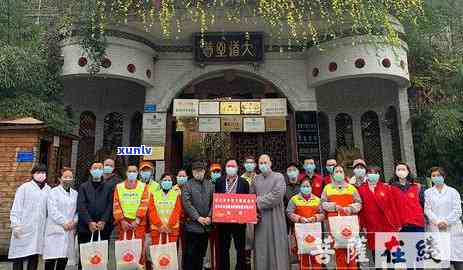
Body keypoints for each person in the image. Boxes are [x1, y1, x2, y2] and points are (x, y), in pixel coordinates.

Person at [357, 166, 402, 266]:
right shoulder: (361, 189)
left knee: (389, 255)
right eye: (371, 172)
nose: (373, 175)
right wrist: (363, 225)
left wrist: (397, 223)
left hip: (387, 224)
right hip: (371, 225)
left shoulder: (386, 187)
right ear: (367, 175)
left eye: (376, 173)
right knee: (377, 256)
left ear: (379, 175)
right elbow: (361, 210)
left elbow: (392, 206)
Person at [9, 164, 51, 270]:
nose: (41, 175)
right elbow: (16, 208)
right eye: (38, 172)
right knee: (18, 257)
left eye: (43, 173)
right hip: (23, 228)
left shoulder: (48, 190)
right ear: (33, 174)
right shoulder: (24, 188)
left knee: (34, 256)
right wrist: (15, 225)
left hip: (38, 230)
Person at [251, 154, 289, 270]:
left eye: (265, 162)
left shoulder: (279, 177)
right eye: (261, 163)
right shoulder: (255, 180)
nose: (263, 165)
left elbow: (277, 196)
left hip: (275, 219)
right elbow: (250, 198)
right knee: (261, 249)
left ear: (270, 163)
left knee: (277, 247)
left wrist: (257, 202)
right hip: (260, 220)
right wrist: (253, 204)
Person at [321, 164, 362, 270]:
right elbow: (323, 203)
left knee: (351, 250)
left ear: (344, 174)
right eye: (336, 172)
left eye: (341, 171)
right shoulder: (327, 188)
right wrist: (334, 207)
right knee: (338, 251)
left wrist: (351, 208)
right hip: (335, 224)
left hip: (350, 223)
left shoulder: (351, 188)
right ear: (333, 174)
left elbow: (359, 203)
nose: (339, 174)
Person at [424, 167, 463, 270]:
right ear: (431, 178)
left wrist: (445, 222)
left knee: (458, 260)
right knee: (443, 260)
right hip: (437, 229)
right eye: (434, 176)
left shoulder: (453, 191)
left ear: (444, 177)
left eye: (439, 175)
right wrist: (438, 222)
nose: (436, 177)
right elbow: (427, 210)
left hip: (453, 229)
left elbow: (457, 210)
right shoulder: (428, 193)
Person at [215, 160, 250, 270]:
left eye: (233, 166)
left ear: (237, 167)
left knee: (240, 248)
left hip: (239, 222)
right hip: (223, 222)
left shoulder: (244, 182)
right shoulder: (219, 181)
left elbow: (247, 200)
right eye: (228, 166)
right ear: (225, 168)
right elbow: (216, 199)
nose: (231, 167)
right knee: (223, 248)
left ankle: (240, 268)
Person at [113, 165, 150, 266]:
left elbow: (144, 203)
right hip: (123, 225)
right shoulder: (119, 187)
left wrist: (137, 220)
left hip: (138, 224)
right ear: (126, 173)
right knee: (124, 250)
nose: (132, 173)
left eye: (134, 171)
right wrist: (122, 221)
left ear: (137, 173)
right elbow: (116, 204)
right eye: (130, 171)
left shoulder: (143, 186)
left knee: (139, 250)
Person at [43, 167, 78, 270]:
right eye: (65, 177)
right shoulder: (53, 192)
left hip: (69, 230)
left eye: (70, 177)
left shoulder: (75, 194)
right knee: (51, 259)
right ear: (59, 178)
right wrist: (64, 223)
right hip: (56, 229)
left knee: (63, 260)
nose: (68, 179)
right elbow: (52, 210)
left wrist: (74, 222)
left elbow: (78, 211)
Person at [181, 161, 214, 270]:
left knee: (201, 255)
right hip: (192, 227)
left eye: (201, 170)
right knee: (190, 255)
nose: (198, 173)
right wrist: (198, 218)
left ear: (204, 171)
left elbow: (214, 202)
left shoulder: (210, 185)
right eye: (196, 170)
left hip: (206, 227)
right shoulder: (187, 185)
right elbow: (187, 203)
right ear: (192, 172)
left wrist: (209, 216)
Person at [286, 179, 325, 270]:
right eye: (303, 186)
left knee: (316, 255)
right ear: (300, 187)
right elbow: (289, 212)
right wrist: (299, 218)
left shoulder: (317, 200)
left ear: (311, 187)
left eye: (308, 186)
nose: (306, 188)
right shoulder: (294, 199)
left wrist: (315, 218)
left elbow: (323, 214)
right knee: (303, 257)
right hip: (300, 232)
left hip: (314, 231)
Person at [77, 162, 114, 245]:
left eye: (100, 169)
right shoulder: (83, 187)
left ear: (103, 171)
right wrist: (89, 222)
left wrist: (104, 221)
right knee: (85, 255)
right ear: (90, 171)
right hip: (85, 228)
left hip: (103, 228)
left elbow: (110, 206)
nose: (97, 170)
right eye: (95, 168)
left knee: (101, 255)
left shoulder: (108, 187)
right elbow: (81, 205)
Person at [390, 162, 425, 232]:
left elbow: (422, 204)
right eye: (398, 169)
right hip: (400, 226)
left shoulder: (416, 187)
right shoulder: (390, 188)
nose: (401, 172)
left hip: (417, 224)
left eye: (403, 169)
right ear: (395, 172)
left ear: (408, 172)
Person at [149, 173, 183, 245]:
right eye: (165, 180)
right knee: (157, 255)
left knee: (170, 255)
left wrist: (169, 226)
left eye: (169, 180)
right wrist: (160, 225)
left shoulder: (176, 195)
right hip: (157, 229)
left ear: (172, 183)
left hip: (171, 230)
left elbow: (177, 211)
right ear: (161, 182)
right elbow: (151, 211)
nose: (167, 182)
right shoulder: (154, 195)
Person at [241, 156, 257, 270]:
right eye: (247, 162)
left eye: (252, 162)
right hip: (245, 214)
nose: (249, 164)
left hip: (258, 213)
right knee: (247, 241)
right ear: (244, 165)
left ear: (255, 165)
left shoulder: (259, 178)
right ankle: (247, 265)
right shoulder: (240, 179)